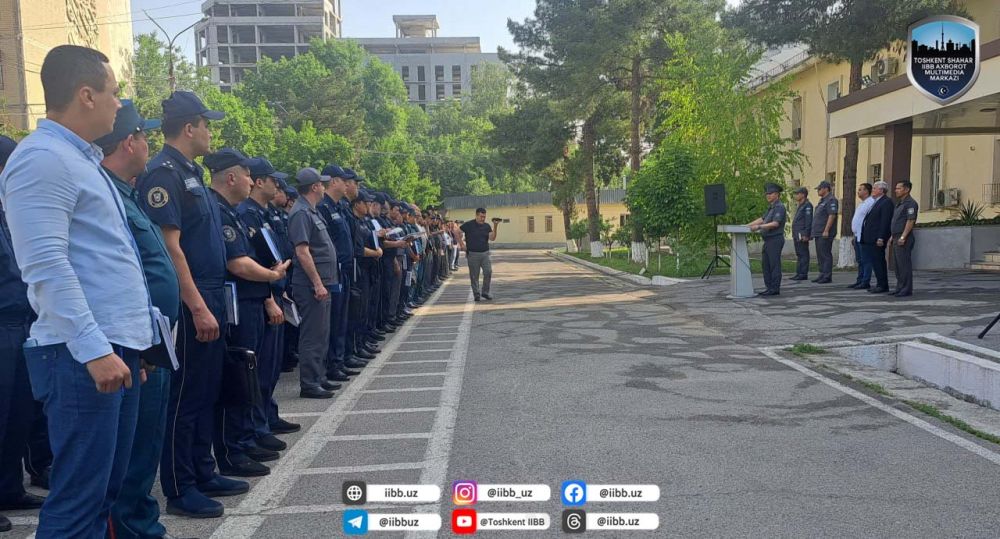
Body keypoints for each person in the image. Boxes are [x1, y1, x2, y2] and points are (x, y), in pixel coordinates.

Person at [0, 45, 155, 538]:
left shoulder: (79, 159)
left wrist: (133, 344)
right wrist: (95, 349)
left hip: (111, 346)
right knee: (78, 502)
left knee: (103, 494)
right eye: (113, 92)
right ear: (86, 95)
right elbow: (45, 266)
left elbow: (107, 261)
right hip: (80, 353)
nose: (118, 103)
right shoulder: (41, 160)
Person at [138, 90, 248, 519]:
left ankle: (203, 470)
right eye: (206, 125)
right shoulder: (163, 175)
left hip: (210, 292)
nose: (210, 133)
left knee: (205, 391)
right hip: (191, 298)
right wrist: (198, 306)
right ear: (189, 128)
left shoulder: (190, 174)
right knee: (184, 398)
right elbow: (171, 248)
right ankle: (181, 487)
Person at [97, 100, 182, 539]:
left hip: (152, 341)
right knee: (130, 452)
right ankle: (130, 528)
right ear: (128, 142)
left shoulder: (126, 194)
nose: (149, 143)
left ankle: (142, 523)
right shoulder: (106, 197)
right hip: (134, 345)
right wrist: (137, 346)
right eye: (144, 135)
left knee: (146, 443)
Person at [206, 149, 289, 477]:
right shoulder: (225, 211)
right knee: (240, 375)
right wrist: (272, 278)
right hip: (239, 304)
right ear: (231, 177)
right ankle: (235, 446)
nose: (251, 182)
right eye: (247, 175)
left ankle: (248, 435)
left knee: (252, 374)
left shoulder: (234, 212)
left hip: (252, 299)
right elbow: (238, 263)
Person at [238, 159, 297, 450]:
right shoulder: (246, 214)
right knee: (258, 369)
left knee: (270, 366)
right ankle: (257, 427)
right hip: (262, 298)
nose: (278, 185)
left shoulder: (264, 213)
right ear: (260, 182)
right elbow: (252, 263)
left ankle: (267, 416)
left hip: (276, 291)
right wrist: (269, 298)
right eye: (274, 180)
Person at [0, 136, 41, 534]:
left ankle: (9, 488)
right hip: (1, 324)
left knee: (19, 414)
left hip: (21, 322)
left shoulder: (8, 210)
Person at [288, 168, 340, 399]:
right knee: (312, 334)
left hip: (323, 282)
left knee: (322, 333)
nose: (324, 187)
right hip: (311, 285)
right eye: (321, 183)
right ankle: (309, 383)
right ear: (314, 187)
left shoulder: (312, 211)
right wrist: (317, 283)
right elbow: (302, 251)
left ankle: (318, 376)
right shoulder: (301, 213)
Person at [317, 165, 357, 383]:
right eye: (344, 180)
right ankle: (332, 364)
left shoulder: (339, 207)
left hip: (345, 270)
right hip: (333, 272)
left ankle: (339, 360)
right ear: (333, 182)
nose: (347, 184)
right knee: (333, 320)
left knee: (342, 318)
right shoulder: (323, 207)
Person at [748, 183, 787, 296]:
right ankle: (769, 287)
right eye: (767, 194)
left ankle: (774, 288)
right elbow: (762, 219)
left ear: (777, 194)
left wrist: (759, 227)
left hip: (775, 239)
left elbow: (775, 223)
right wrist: (746, 226)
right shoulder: (771, 207)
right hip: (768, 240)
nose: (768, 196)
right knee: (766, 265)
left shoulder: (779, 207)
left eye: (770, 193)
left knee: (774, 265)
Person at [860, 181, 893, 294]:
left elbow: (885, 221)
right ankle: (880, 283)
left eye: (874, 188)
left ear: (881, 190)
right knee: (875, 261)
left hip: (877, 238)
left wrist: (881, 237)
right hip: (870, 237)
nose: (872, 190)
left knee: (879, 261)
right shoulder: (876, 202)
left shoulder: (886, 202)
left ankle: (882, 285)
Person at [460, 208, 498, 301]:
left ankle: (485, 292)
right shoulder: (469, 225)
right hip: (473, 254)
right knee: (474, 276)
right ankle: (476, 294)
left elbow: (492, 238)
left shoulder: (487, 226)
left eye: (484, 217)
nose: (483, 219)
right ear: (476, 215)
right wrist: (461, 244)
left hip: (485, 253)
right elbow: (456, 232)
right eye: (481, 216)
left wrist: (495, 226)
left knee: (488, 271)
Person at [890, 181, 919, 297]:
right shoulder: (899, 203)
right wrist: (892, 236)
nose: (896, 190)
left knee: (904, 265)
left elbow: (910, 220)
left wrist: (903, 236)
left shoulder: (910, 203)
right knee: (898, 265)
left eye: (899, 188)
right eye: (896, 188)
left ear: (906, 190)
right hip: (896, 236)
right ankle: (900, 287)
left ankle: (906, 289)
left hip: (904, 238)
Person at [811, 180, 839, 284]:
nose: (818, 191)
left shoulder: (831, 200)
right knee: (820, 254)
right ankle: (822, 274)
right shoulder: (822, 201)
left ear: (826, 189)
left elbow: (832, 215)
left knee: (825, 254)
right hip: (819, 232)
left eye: (819, 189)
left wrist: (826, 230)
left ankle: (827, 276)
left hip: (825, 232)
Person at [848, 183, 875, 290]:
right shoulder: (861, 204)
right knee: (859, 260)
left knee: (866, 260)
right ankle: (859, 280)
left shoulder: (871, 203)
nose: (858, 191)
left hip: (864, 236)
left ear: (866, 191)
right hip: (857, 235)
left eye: (860, 189)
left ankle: (865, 281)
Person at [789, 187, 812, 281]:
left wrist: (806, 234)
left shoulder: (807, 205)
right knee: (799, 254)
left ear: (803, 194)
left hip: (802, 234)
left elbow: (808, 221)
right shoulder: (801, 205)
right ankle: (799, 273)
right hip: (797, 234)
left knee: (803, 254)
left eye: (797, 194)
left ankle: (803, 274)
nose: (796, 196)